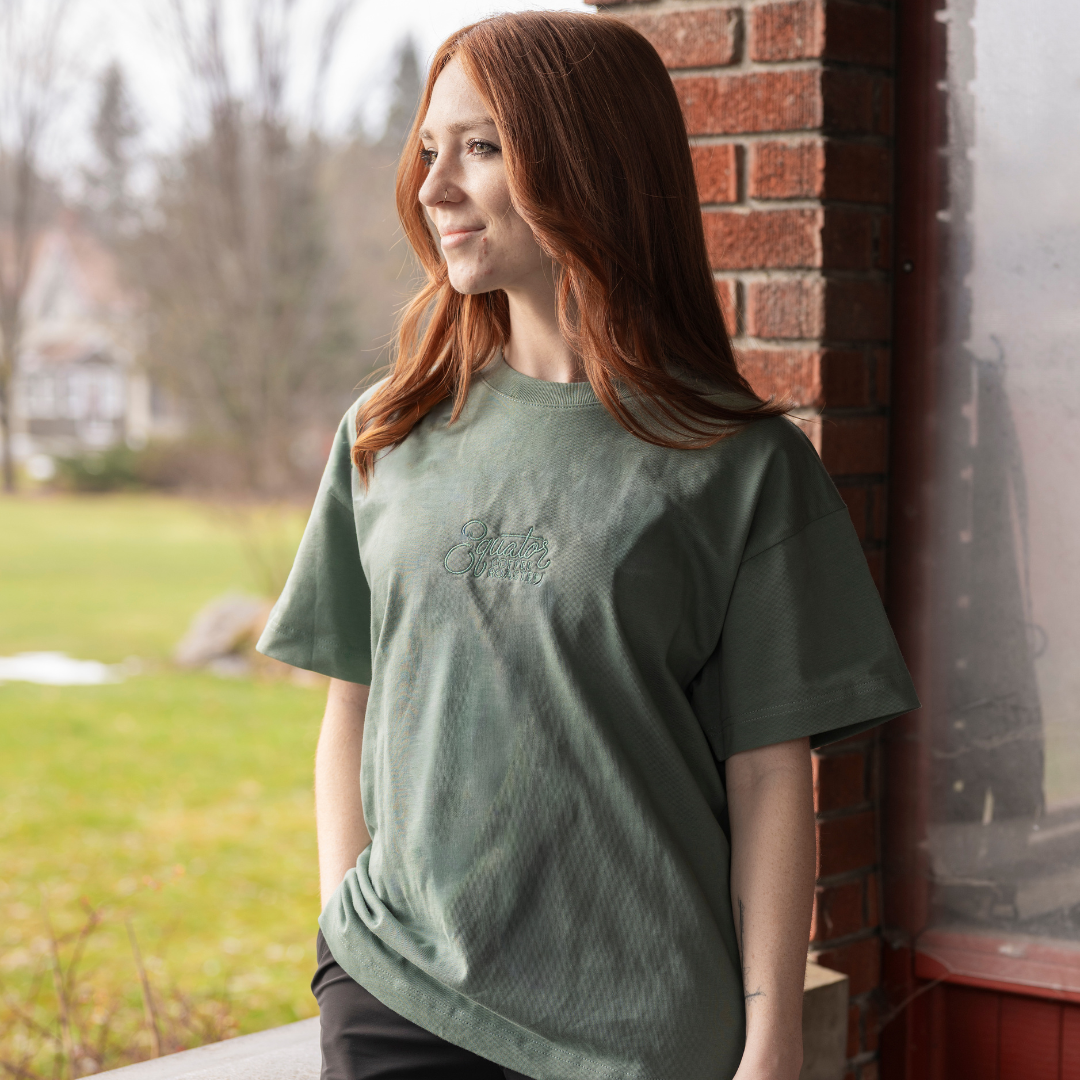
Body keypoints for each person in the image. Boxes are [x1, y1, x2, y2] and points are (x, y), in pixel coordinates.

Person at [257, 11, 919, 1080]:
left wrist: (773, 1040)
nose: (433, 189)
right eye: (431, 150)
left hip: (646, 1032)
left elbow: (769, 777)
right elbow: (353, 702)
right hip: (395, 1002)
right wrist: (345, 939)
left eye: (480, 147)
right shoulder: (387, 432)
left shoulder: (740, 468)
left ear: (591, 165)